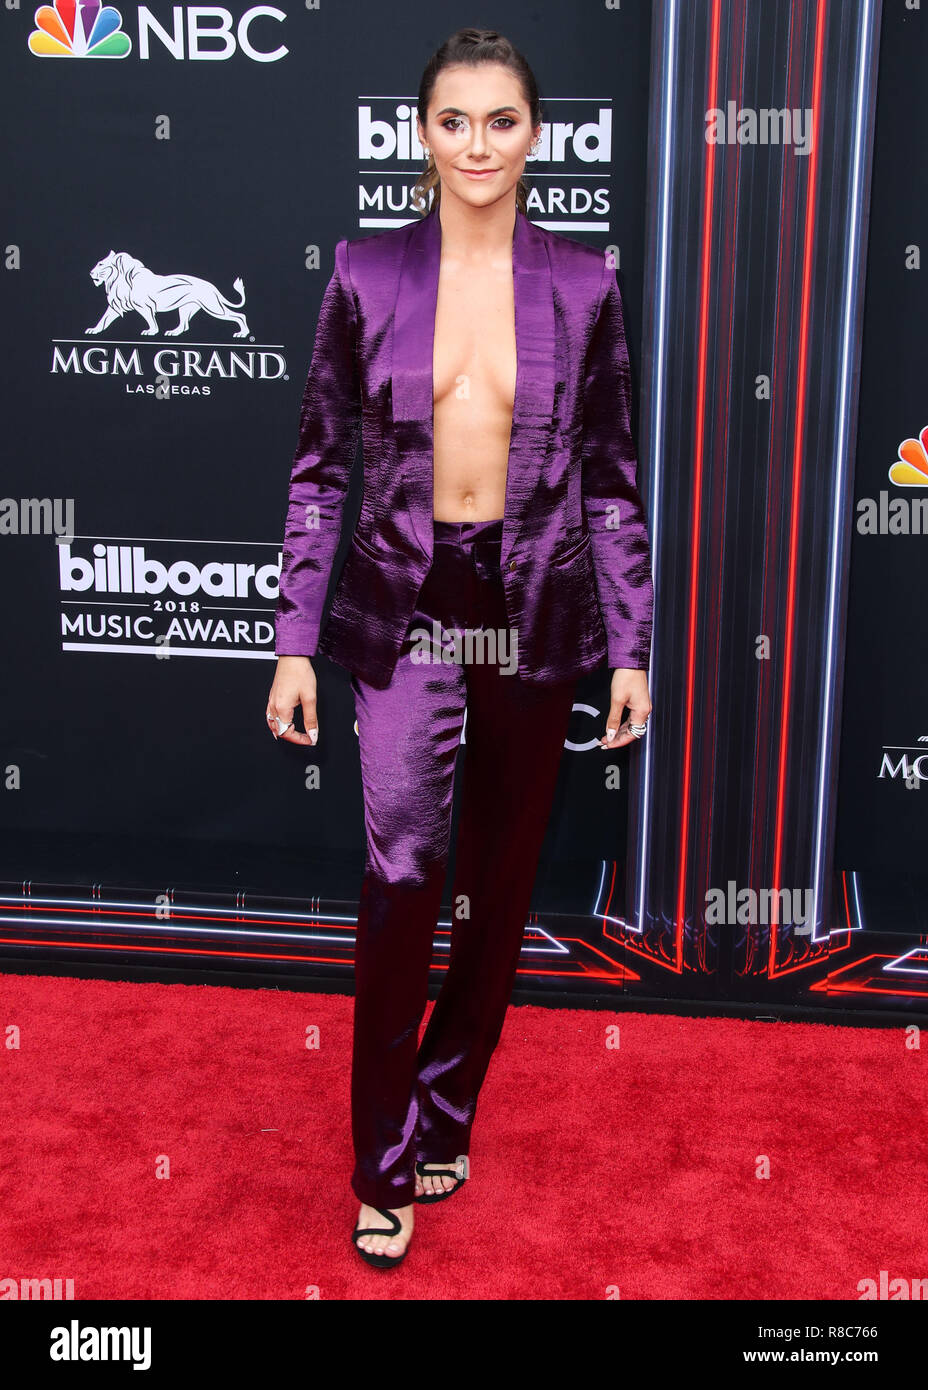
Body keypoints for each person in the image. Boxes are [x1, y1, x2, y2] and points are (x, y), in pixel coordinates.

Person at [266, 27, 653, 1269]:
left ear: (534, 134)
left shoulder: (585, 281)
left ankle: (447, 1102)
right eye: (453, 121)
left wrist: (631, 645)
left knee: (494, 888)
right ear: (419, 134)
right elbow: (322, 470)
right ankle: (381, 1155)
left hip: (534, 603)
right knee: (401, 878)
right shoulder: (365, 274)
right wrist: (291, 644)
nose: (476, 146)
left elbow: (610, 481)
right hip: (408, 601)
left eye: (499, 121)